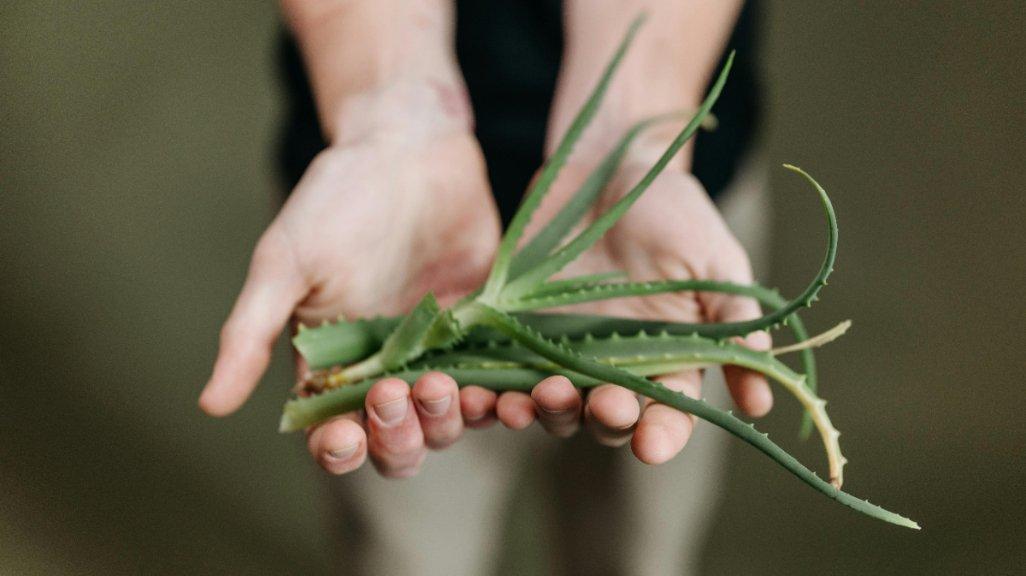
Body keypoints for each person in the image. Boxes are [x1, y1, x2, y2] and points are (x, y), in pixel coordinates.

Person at [200, 1, 769, 574]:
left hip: (648, 228)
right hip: (384, 231)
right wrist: (388, 112)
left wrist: (633, 133)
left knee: (634, 541)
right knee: (402, 545)